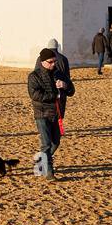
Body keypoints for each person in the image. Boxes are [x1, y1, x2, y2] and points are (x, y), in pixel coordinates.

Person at [28, 48, 71, 179]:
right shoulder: (34, 76)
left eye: (54, 61)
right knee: (46, 144)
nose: (53, 64)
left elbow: (71, 90)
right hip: (42, 114)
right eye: (51, 62)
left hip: (56, 113)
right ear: (43, 62)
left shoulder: (59, 73)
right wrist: (54, 95)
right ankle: (49, 173)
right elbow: (34, 94)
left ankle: (41, 161)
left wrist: (65, 85)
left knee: (55, 142)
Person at [46, 38, 73, 119]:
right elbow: (67, 76)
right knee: (59, 113)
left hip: (47, 89)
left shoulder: (42, 59)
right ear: (57, 47)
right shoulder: (63, 59)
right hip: (61, 90)